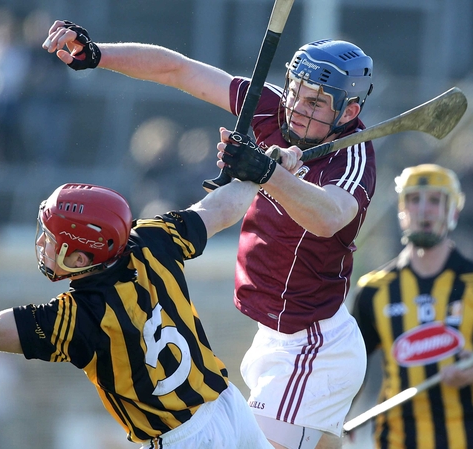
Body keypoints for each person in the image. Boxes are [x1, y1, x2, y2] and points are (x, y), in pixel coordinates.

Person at [42, 20, 377, 449]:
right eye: (295, 90)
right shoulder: (273, 110)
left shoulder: (353, 156)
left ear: (348, 112)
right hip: (275, 337)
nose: (296, 107)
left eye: (315, 102)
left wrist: (267, 173)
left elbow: (329, 216)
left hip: (311, 347)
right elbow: (178, 70)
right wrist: (98, 54)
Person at [0, 180, 276, 448]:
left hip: (180, 439)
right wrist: (261, 174)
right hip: (229, 406)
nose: (42, 244)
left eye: (52, 240)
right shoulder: (151, 238)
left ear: (81, 256)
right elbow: (220, 208)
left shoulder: (80, 317)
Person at [349, 164, 473, 449]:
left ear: (453, 212)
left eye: (435, 201)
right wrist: (337, 417)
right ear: (402, 211)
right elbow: (351, 370)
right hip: (398, 440)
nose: (424, 210)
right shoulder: (373, 290)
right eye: (414, 200)